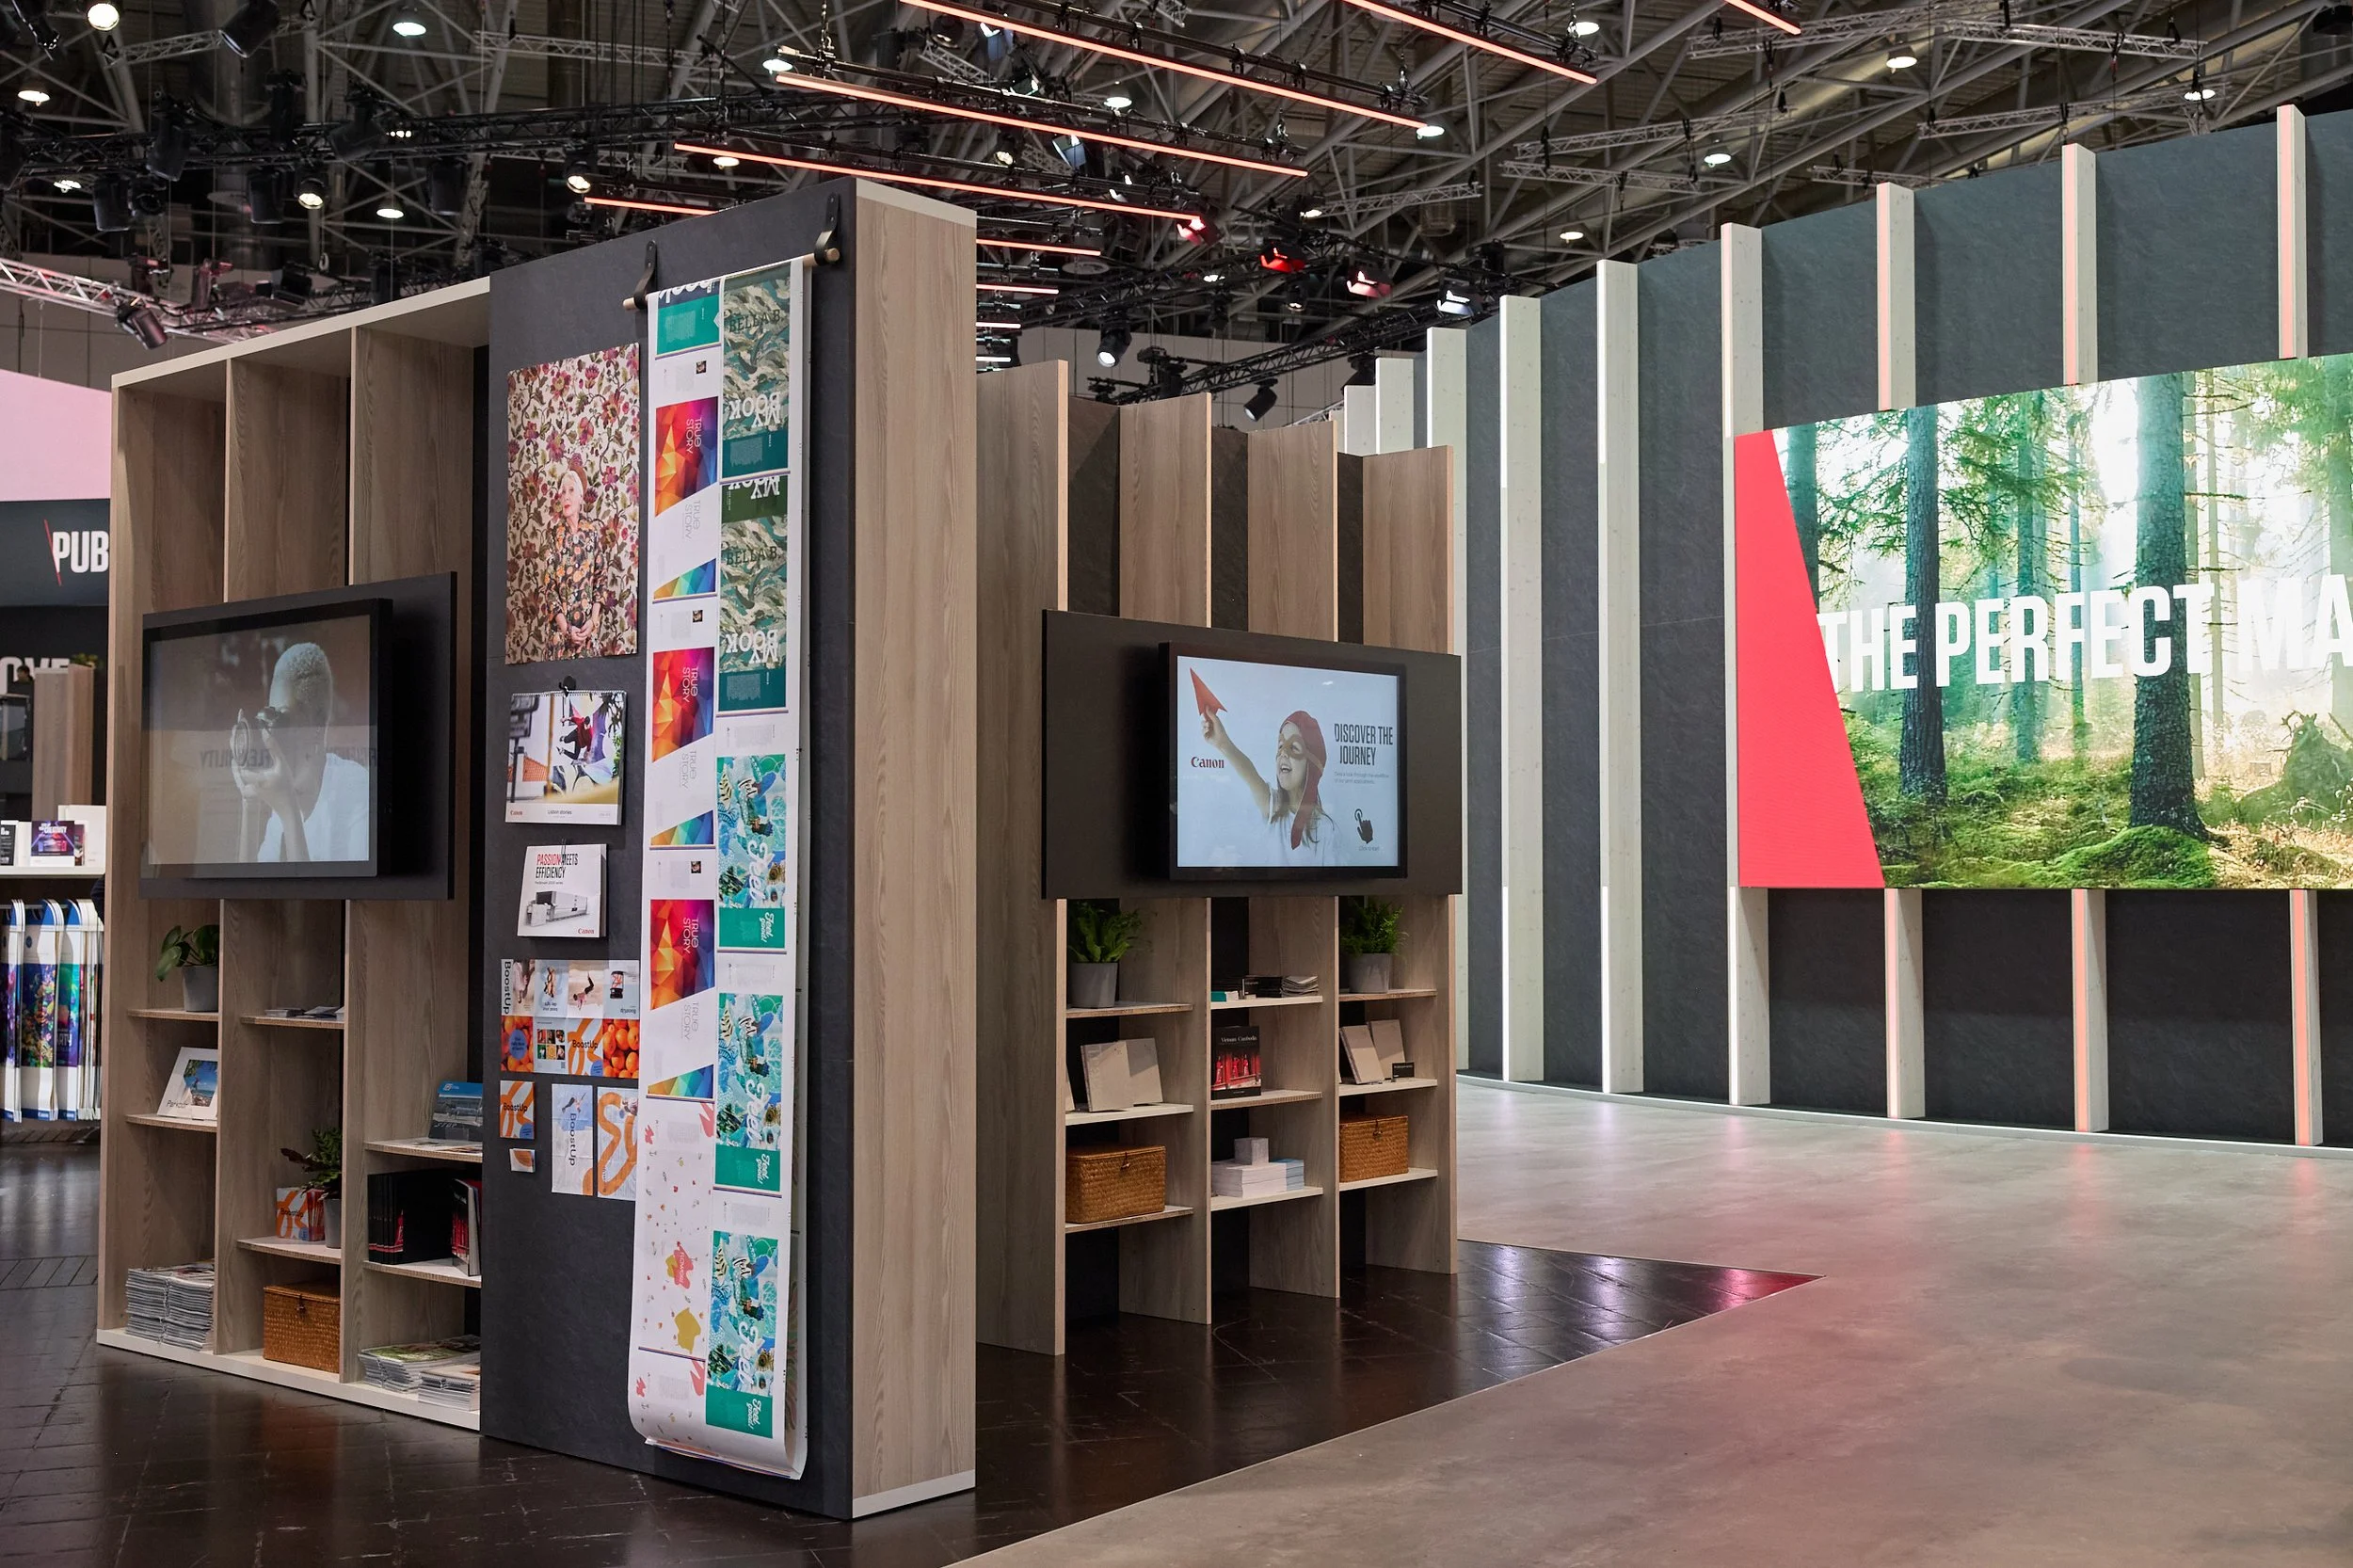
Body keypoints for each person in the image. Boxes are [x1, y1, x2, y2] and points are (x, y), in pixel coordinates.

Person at [230, 641, 367, 863]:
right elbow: (249, 890)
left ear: (316, 728)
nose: (273, 731)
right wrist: (249, 804)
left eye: (283, 717)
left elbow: (319, 895)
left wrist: (288, 810)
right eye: (270, 715)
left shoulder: (356, 788)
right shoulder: (284, 799)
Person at [1201, 706, 1340, 866]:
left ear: (1312, 764)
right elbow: (1250, 774)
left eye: (1294, 747)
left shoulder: (1327, 829)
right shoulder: (1274, 808)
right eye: (1280, 746)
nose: (1283, 753)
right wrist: (1222, 743)